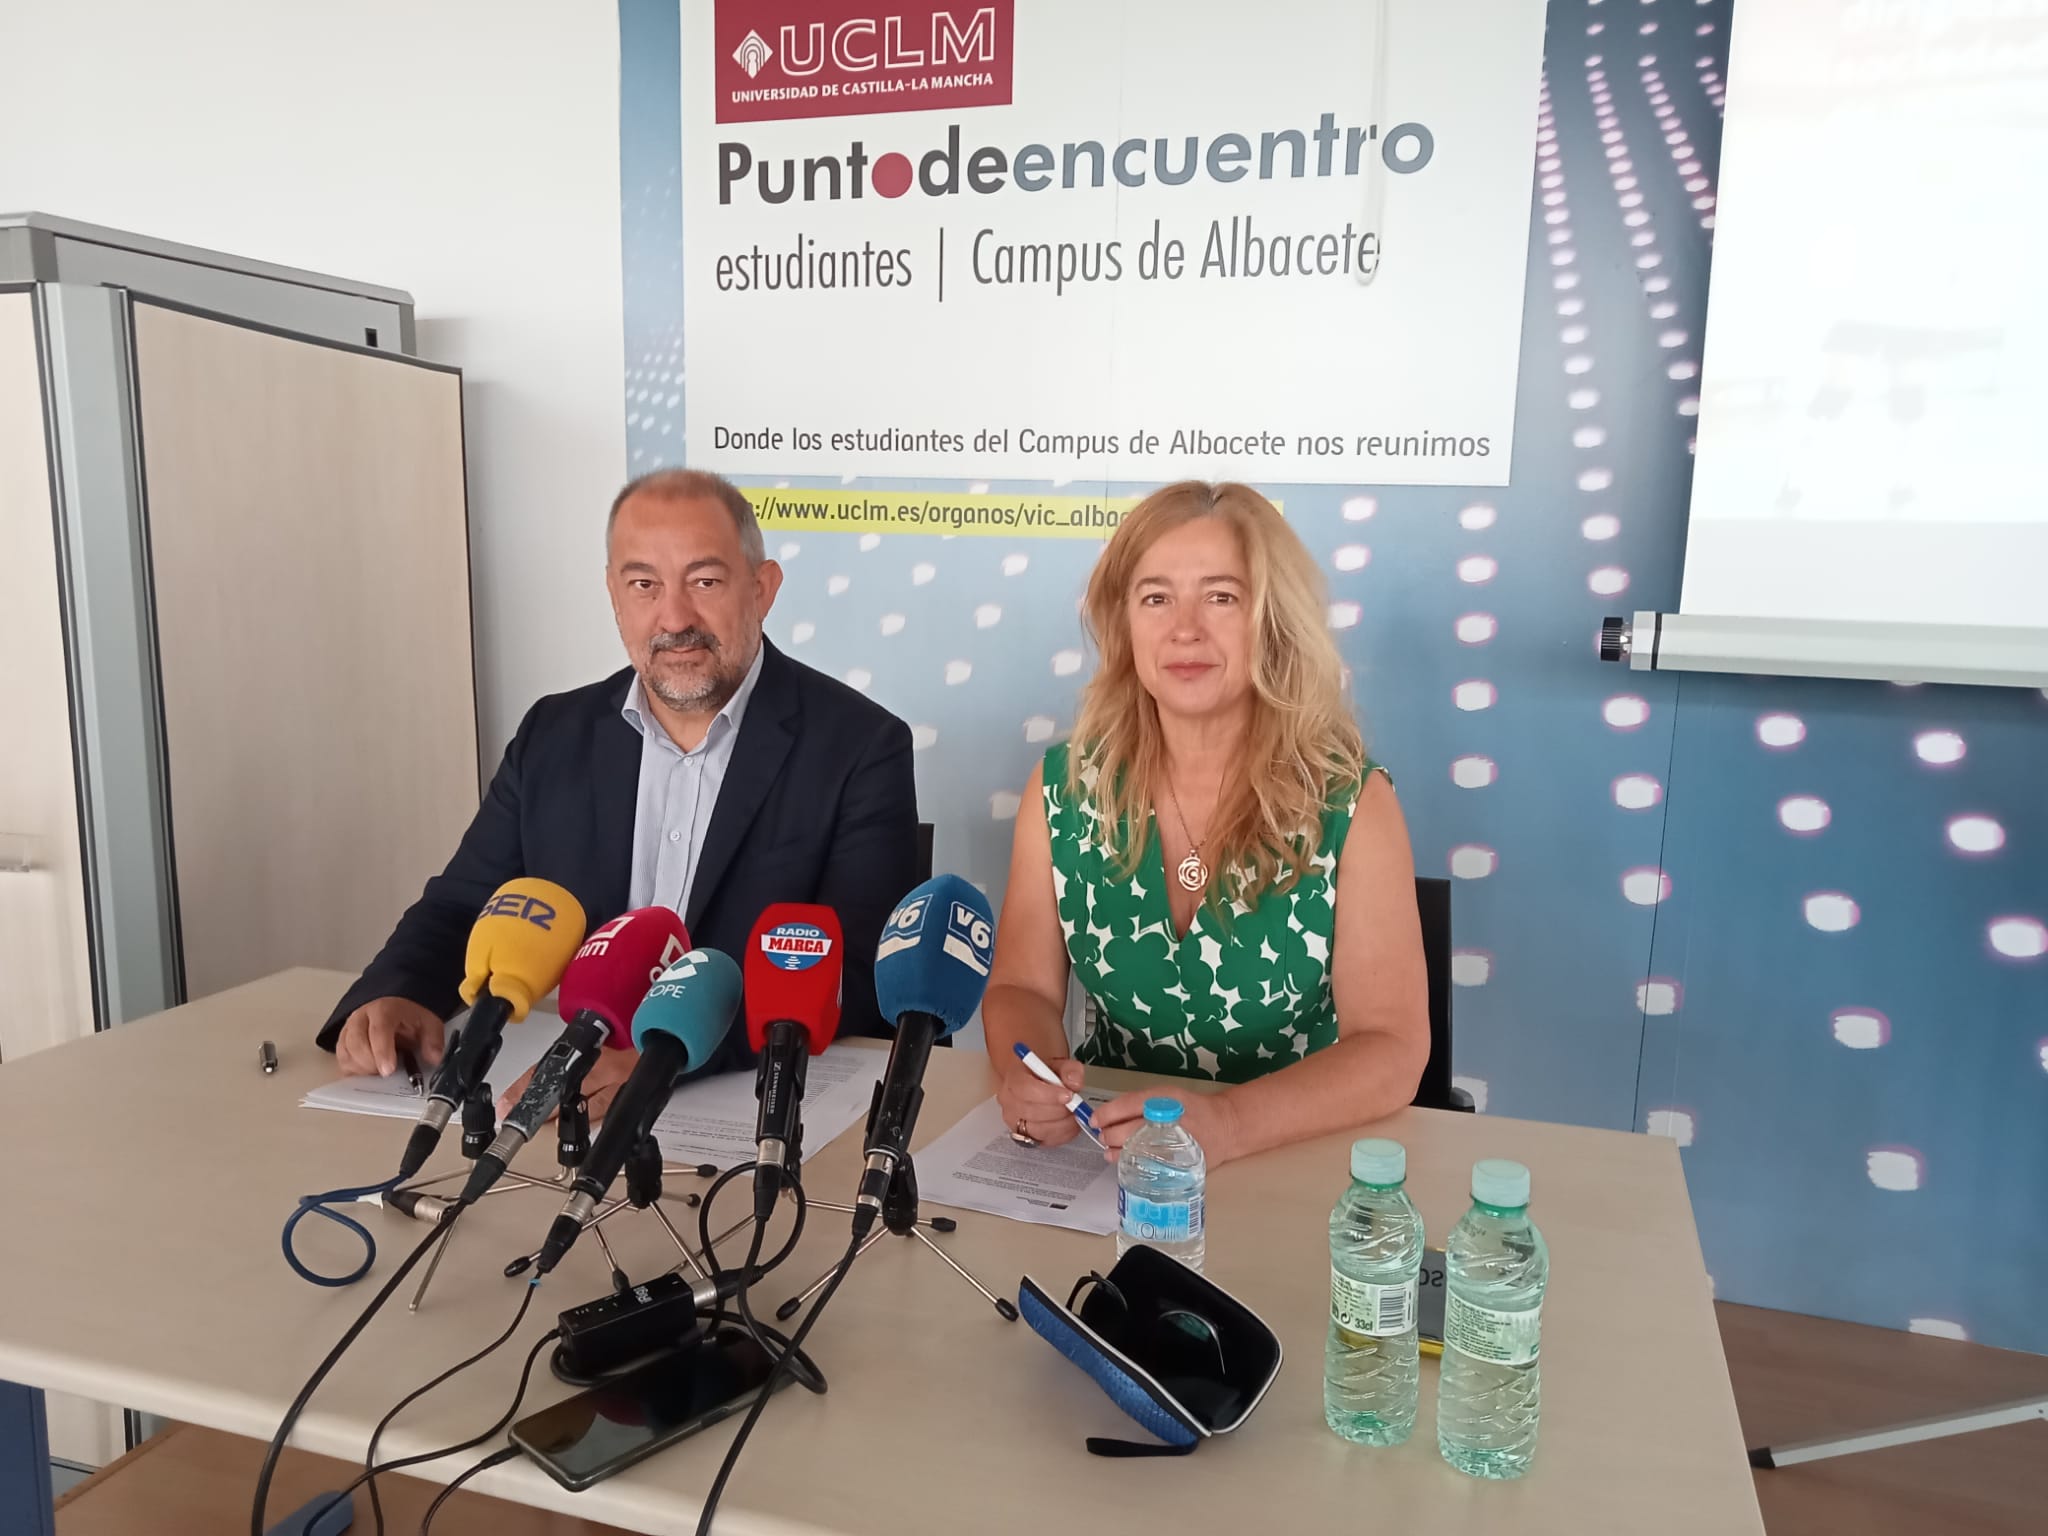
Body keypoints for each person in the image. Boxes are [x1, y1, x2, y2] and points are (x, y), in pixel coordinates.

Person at [320, 469, 919, 1115]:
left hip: (750, 1107)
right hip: (565, 1106)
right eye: (644, 585)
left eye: (705, 581)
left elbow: (856, 974)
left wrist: (664, 1056)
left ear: (762, 588)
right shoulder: (555, 733)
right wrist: (398, 993)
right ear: (614, 594)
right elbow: (463, 906)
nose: (674, 617)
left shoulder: (861, 746)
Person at [981, 480, 1428, 1167]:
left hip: (1292, 1157)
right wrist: (1034, 1075)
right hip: (1113, 1163)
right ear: (1123, 623)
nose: (1184, 628)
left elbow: (1394, 1049)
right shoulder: (1065, 789)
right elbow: (1022, 989)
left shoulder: (1352, 803)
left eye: (1221, 597)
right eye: (1156, 598)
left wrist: (1229, 1125)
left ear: (1271, 621)